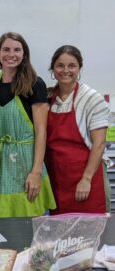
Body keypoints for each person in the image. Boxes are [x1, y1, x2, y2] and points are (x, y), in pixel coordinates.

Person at [0, 32, 56, 217]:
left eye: (17, 50)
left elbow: (41, 132)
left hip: (25, 162)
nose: (11, 54)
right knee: (0, 224)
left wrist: (36, 172)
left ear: (24, 54)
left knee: (27, 222)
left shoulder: (34, 84)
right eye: (6, 49)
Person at [46, 45, 110, 214]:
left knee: (90, 235)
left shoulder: (91, 99)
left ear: (79, 68)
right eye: (60, 65)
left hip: (86, 179)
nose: (65, 70)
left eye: (71, 65)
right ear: (53, 69)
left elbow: (99, 143)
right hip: (57, 181)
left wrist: (86, 179)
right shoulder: (47, 98)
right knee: (59, 237)